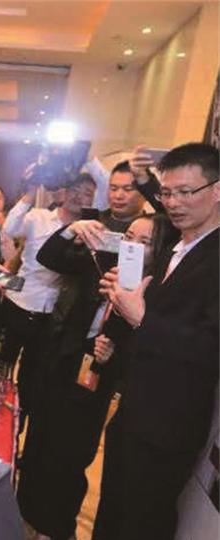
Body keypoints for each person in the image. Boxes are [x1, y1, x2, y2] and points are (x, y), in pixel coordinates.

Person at [17, 213, 177, 540]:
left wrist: (115, 352)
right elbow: (50, 257)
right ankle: (24, 515)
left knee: (71, 456)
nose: (132, 245)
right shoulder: (102, 262)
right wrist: (71, 230)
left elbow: (151, 348)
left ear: (159, 250)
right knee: (38, 440)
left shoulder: (158, 289)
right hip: (63, 360)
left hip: (97, 380)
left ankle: (56, 528)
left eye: (144, 242)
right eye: (129, 236)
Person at [94, 143, 219, 540]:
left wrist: (143, 316)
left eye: (186, 192)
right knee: (112, 516)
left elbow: (211, 348)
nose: (173, 203)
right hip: (134, 410)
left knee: (142, 524)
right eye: (167, 192)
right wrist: (124, 301)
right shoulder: (177, 248)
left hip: (168, 426)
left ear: (217, 190)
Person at [0, 174, 96, 422]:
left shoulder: (90, 232)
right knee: (1, 365)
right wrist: (31, 192)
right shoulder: (38, 216)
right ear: (63, 191)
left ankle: (18, 423)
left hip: (52, 313)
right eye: (74, 189)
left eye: (87, 193)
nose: (78, 196)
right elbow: (9, 229)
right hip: (18, 301)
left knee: (32, 376)